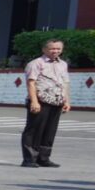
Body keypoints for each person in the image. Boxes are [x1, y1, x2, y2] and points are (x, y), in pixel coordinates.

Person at [23, 38, 70, 167]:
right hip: (40, 101)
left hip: (56, 101)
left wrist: (66, 101)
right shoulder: (36, 63)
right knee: (34, 130)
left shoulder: (63, 64)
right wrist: (34, 101)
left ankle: (43, 158)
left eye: (58, 48)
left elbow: (65, 83)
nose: (55, 51)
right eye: (52, 48)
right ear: (44, 49)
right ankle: (29, 159)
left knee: (50, 131)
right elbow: (31, 83)